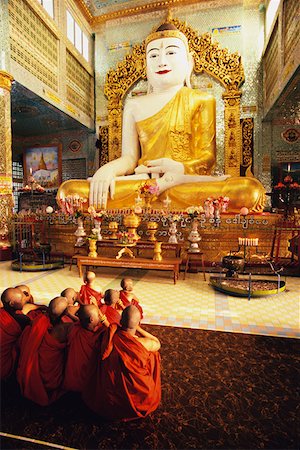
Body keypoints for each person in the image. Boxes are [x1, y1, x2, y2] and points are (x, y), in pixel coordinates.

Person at [57, 21, 265, 213]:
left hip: (185, 182)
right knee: (71, 191)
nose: (162, 61)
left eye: (171, 53)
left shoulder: (201, 99)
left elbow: (207, 157)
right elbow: (129, 158)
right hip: (144, 182)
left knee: (248, 190)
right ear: (145, 65)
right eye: (154, 56)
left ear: (188, 62)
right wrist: (107, 171)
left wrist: (178, 168)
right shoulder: (134, 105)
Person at [83, 305, 161, 420]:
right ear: (138, 322)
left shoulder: (109, 335)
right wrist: (138, 328)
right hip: (139, 396)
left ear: (120, 320)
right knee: (154, 355)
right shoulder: (143, 343)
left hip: (109, 395)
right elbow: (157, 342)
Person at [16, 296, 71, 406]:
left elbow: (25, 308)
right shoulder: (64, 328)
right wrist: (70, 314)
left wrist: (40, 306)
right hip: (51, 377)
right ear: (65, 312)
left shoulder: (37, 321)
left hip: (31, 370)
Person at [63, 304, 109, 393]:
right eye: (98, 316)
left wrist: (69, 315)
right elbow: (112, 331)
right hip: (87, 387)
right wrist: (104, 320)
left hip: (69, 383)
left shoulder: (74, 329)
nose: (100, 317)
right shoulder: (99, 336)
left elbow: (80, 321)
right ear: (91, 319)